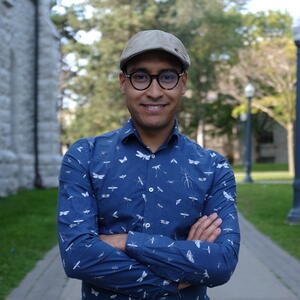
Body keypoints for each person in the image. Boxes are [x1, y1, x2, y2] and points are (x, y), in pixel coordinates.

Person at [57, 29, 240, 300]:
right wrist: (176, 277)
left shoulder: (213, 167)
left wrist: (124, 241)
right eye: (141, 77)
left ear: (183, 83)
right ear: (123, 83)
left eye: (167, 77)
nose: (154, 92)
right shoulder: (84, 156)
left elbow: (221, 263)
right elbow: (77, 256)